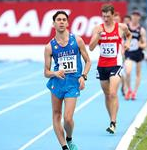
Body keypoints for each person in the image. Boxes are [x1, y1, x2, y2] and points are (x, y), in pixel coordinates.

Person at [44, 11, 91, 150]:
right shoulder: (49, 47)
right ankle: (64, 147)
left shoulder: (77, 40)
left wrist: (83, 76)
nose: (61, 22)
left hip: (72, 83)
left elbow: (88, 61)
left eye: (64, 19)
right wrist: (54, 72)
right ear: (54, 24)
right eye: (58, 20)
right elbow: (46, 72)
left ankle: (69, 138)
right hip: (57, 83)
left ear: (68, 23)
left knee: (68, 118)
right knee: (56, 114)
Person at [89, 4, 132, 134]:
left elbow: (129, 35)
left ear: (113, 15)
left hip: (116, 63)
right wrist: (98, 36)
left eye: (108, 16)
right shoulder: (98, 28)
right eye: (104, 16)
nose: (106, 19)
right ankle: (111, 119)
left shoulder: (121, 27)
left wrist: (127, 44)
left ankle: (113, 122)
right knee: (107, 95)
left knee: (113, 93)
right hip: (102, 65)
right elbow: (90, 47)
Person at [124, 10, 147, 100]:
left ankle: (134, 92)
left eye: (137, 16)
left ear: (139, 18)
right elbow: (121, 38)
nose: (135, 17)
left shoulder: (141, 30)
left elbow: (145, 44)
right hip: (129, 52)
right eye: (134, 15)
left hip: (138, 53)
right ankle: (129, 89)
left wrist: (139, 44)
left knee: (138, 73)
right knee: (128, 71)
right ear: (131, 16)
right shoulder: (126, 27)